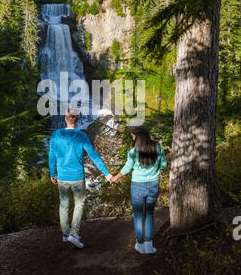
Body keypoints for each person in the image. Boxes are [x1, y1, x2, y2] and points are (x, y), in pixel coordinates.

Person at [49, 109, 112, 249]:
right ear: (77, 120)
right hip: (77, 177)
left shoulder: (55, 136)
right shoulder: (81, 136)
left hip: (62, 177)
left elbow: (51, 156)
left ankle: (65, 234)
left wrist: (52, 173)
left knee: (64, 204)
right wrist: (106, 173)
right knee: (79, 203)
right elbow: (93, 156)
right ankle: (74, 233)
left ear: (66, 118)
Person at [110, 125, 166, 254]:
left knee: (138, 216)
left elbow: (126, 169)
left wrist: (114, 178)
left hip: (137, 186)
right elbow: (163, 165)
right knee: (150, 214)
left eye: (133, 135)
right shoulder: (157, 147)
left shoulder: (133, 151)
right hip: (153, 185)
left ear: (137, 136)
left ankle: (140, 245)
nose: (132, 137)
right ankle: (149, 246)